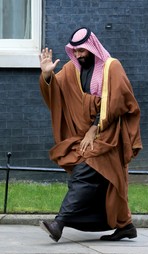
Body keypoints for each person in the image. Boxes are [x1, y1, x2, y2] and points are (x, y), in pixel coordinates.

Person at [39, 27, 142, 242]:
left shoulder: (111, 67)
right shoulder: (71, 69)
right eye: (74, 51)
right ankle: (125, 225)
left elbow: (119, 101)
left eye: (82, 51)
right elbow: (57, 92)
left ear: (92, 48)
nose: (78, 55)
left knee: (86, 170)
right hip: (85, 135)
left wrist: (95, 127)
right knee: (102, 178)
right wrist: (47, 75)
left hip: (109, 135)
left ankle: (60, 223)